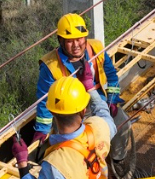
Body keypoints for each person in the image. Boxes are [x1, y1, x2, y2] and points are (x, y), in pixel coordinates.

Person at [32, 13, 121, 144]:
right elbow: (45, 99)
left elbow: (111, 75)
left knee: (122, 127)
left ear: (85, 37)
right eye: (69, 41)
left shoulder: (96, 48)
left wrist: (112, 99)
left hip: (98, 101)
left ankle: (118, 159)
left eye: (79, 39)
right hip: (71, 114)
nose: (76, 45)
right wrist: (42, 130)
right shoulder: (50, 66)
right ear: (60, 41)